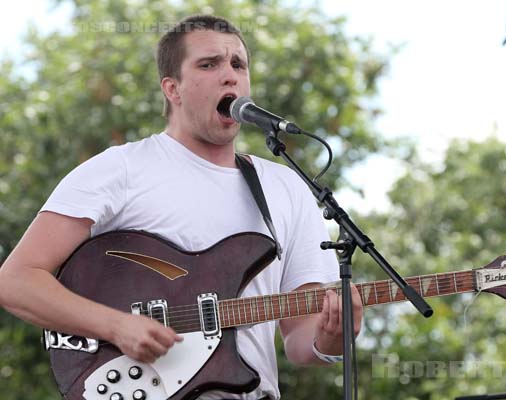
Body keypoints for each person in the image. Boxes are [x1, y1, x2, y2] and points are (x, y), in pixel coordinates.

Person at [0, 14, 363, 400]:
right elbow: (15, 281)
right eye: (209, 64)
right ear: (172, 88)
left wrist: (330, 336)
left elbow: (299, 341)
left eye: (238, 64)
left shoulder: (285, 186)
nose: (230, 76)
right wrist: (117, 326)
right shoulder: (120, 168)